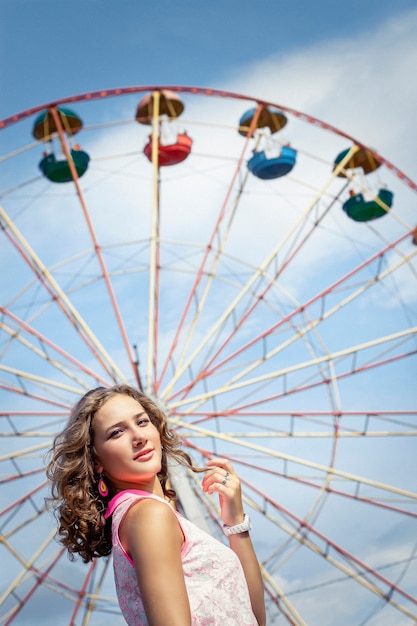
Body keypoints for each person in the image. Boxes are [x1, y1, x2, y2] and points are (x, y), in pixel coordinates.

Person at [47, 384, 266, 626]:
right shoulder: (148, 515)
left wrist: (236, 523)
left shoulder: (141, 515)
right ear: (96, 461)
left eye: (141, 422)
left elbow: (253, 618)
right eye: (117, 433)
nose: (139, 437)